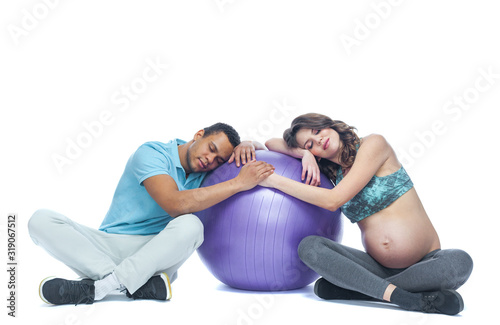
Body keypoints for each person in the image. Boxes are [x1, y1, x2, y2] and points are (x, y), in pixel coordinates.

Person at [28, 122, 274, 305]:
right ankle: (128, 285)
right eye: (210, 148)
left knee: (192, 225)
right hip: (108, 246)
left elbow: (266, 148)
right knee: (40, 219)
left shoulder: (207, 173)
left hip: (154, 254)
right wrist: (238, 184)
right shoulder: (152, 153)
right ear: (199, 135)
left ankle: (100, 288)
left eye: (218, 159)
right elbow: (174, 204)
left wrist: (248, 144)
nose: (210, 160)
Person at [262, 113, 473, 315]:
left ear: (331, 125)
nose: (319, 140)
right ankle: (405, 298)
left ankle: (358, 288)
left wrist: (272, 180)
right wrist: (304, 154)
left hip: (426, 263)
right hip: (376, 268)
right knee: (310, 247)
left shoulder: (374, 144)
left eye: (318, 130)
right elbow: (272, 144)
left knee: (459, 262)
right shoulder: (333, 174)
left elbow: (332, 200)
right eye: (310, 144)